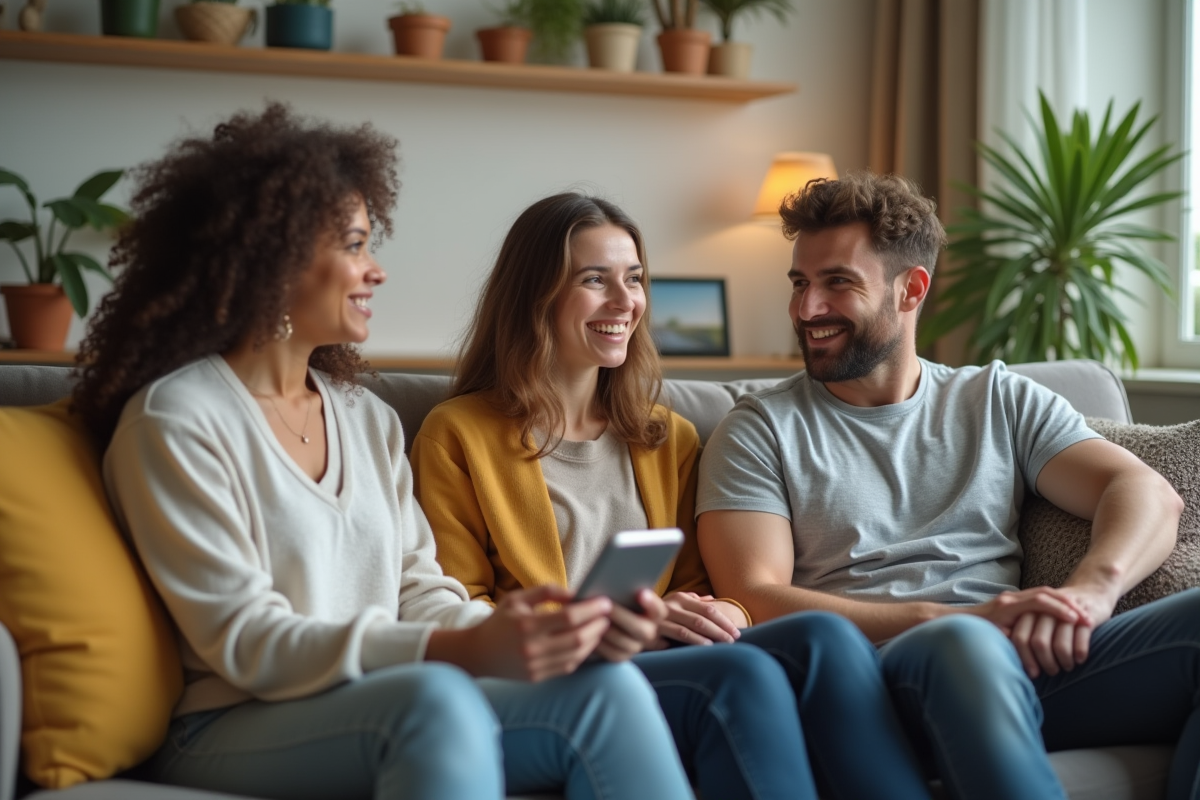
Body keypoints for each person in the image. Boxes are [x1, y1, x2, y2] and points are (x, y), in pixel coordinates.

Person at [72, 105, 696, 800]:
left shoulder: (362, 415)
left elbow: (417, 586)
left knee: (602, 691)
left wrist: (526, 636)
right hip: (231, 722)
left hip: (383, 697)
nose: (376, 272)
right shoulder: (177, 420)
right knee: (433, 701)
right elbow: (247, 640)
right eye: (354, 245)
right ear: (269, 260)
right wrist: (452, 652)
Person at [410, 191, 933, 800]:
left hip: (656, 658)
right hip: (543, 678)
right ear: (536, 294)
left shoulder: (667, 437)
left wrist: (708, 615)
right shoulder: (459, 434)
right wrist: (587, 629)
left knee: (822, 636)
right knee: (738, 676)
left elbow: (702, 588)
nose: (624, 301)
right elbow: (455, 604)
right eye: (593, 280)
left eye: (633, 279)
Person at [695, 171, 1200, 800]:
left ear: (912, 290)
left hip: (1022, 663)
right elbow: (755, 596)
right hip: (883, 681)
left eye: (837, 284)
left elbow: (1144, 491)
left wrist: (1088, 598)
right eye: (800, 283)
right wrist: (960, 617)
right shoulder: (760, 430)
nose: (807, 309)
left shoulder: (996, 398)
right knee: (959, 642)